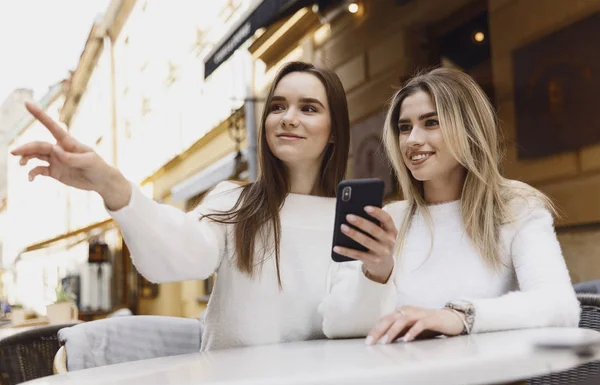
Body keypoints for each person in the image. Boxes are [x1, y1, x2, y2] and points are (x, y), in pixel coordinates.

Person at [12, 61, 351, 350]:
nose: (288, 118)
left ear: (334, 130)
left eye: (308, 108)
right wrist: (109, 183)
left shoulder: (351, 221)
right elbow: (174, 256)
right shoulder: (233, 203)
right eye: (277, 106)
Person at [320, 67, 580, 345]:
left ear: (469, 129)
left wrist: (460, 316)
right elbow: (336, 325)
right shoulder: (389, 220)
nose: (412, 140)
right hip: (400, 381)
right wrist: (376, 272)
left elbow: (560, 306)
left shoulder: (515, 209)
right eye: (404, 127)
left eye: (431, 123)